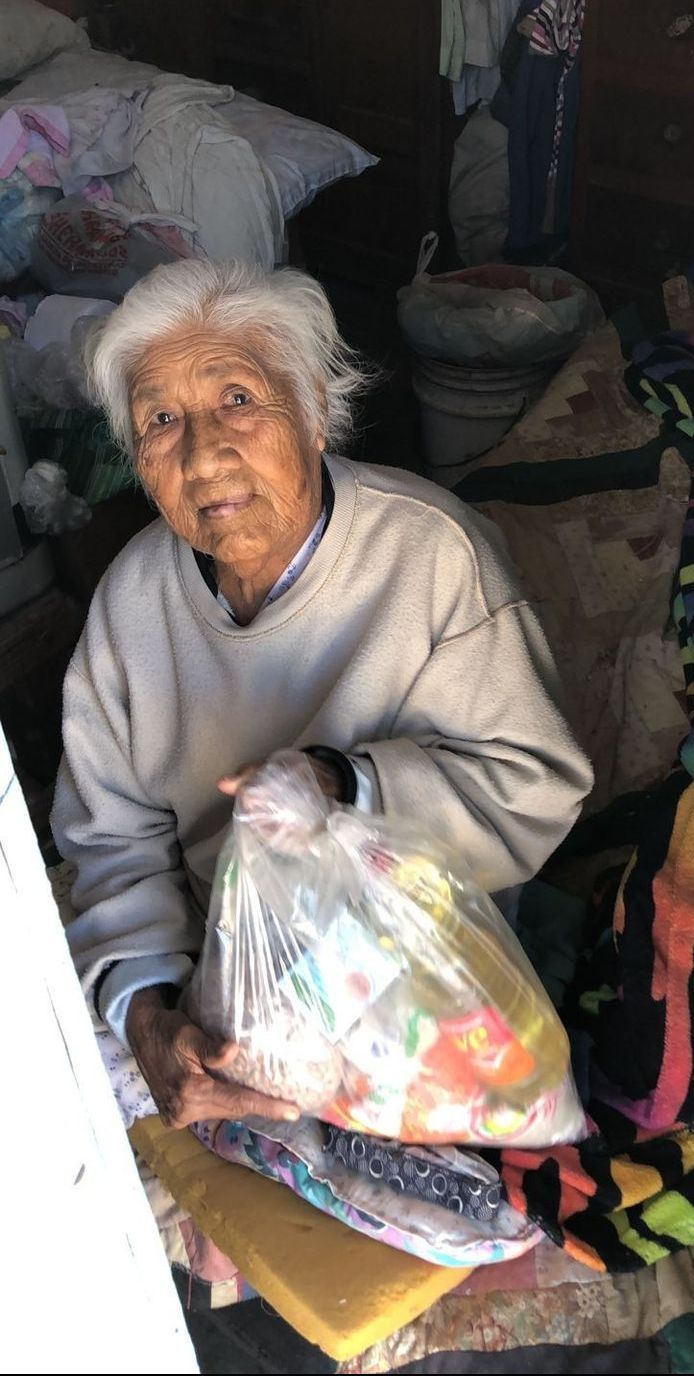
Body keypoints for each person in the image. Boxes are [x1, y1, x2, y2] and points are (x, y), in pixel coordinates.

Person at [56, 260, 594, 1130]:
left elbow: (533, 788)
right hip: (221, 971)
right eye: (161, 421)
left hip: (412, 968)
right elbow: (111, 839)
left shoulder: (434, 555)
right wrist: (150, 1015)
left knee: (482, 1123)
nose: (203, 454)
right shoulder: (129, 601)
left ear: (313, 410)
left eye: (237, 400)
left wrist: (347, 784)